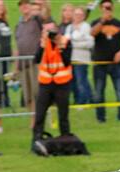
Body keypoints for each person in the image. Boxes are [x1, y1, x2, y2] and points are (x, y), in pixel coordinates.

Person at [32, 22, 73, 153]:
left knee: (63, 115)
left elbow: (67, 61)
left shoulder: (65, 41)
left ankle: (65, 141)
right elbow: (36, 59)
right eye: (47, 31)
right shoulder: (43, 42)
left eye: (52, 31)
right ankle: (36, 141)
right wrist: (42, 46)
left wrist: (59, 46)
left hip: (62, 83)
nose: (51, 34)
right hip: (46, 83)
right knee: (40, 114)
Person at [90, 0, 120, 122]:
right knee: (98, 93)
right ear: (100, 8)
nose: (107, 9)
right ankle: (100, 118)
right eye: (105, 7)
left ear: (113, 8)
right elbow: (92, 33)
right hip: (99, 64)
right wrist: (102, 20)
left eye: (109, 7)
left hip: (116, 64)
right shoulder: (95, 23)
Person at [16, 0, 47, 121]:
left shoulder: (36, 20)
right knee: (28, 96)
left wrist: (41, 4)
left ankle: (40, 119)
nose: (24, 7)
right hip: (23, 64)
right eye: (22, 5)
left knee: (37, 93)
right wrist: (16, 67)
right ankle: (33, 121)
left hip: (35, 63)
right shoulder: (19, 25)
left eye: (26, 4)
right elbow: (18, 46)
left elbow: (44, 15)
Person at [66, 6, 94, 104]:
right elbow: (65, 42)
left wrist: (74, 44)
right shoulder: (69, 27)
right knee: (73, 82)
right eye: (76, 14)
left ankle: (83, 102)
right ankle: (84, 99)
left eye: (80, 15)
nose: (78, 16)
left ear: (83, 16)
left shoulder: (86, 26)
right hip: (70, 59)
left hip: (81, 59)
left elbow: (90, 43)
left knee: (81, 81)